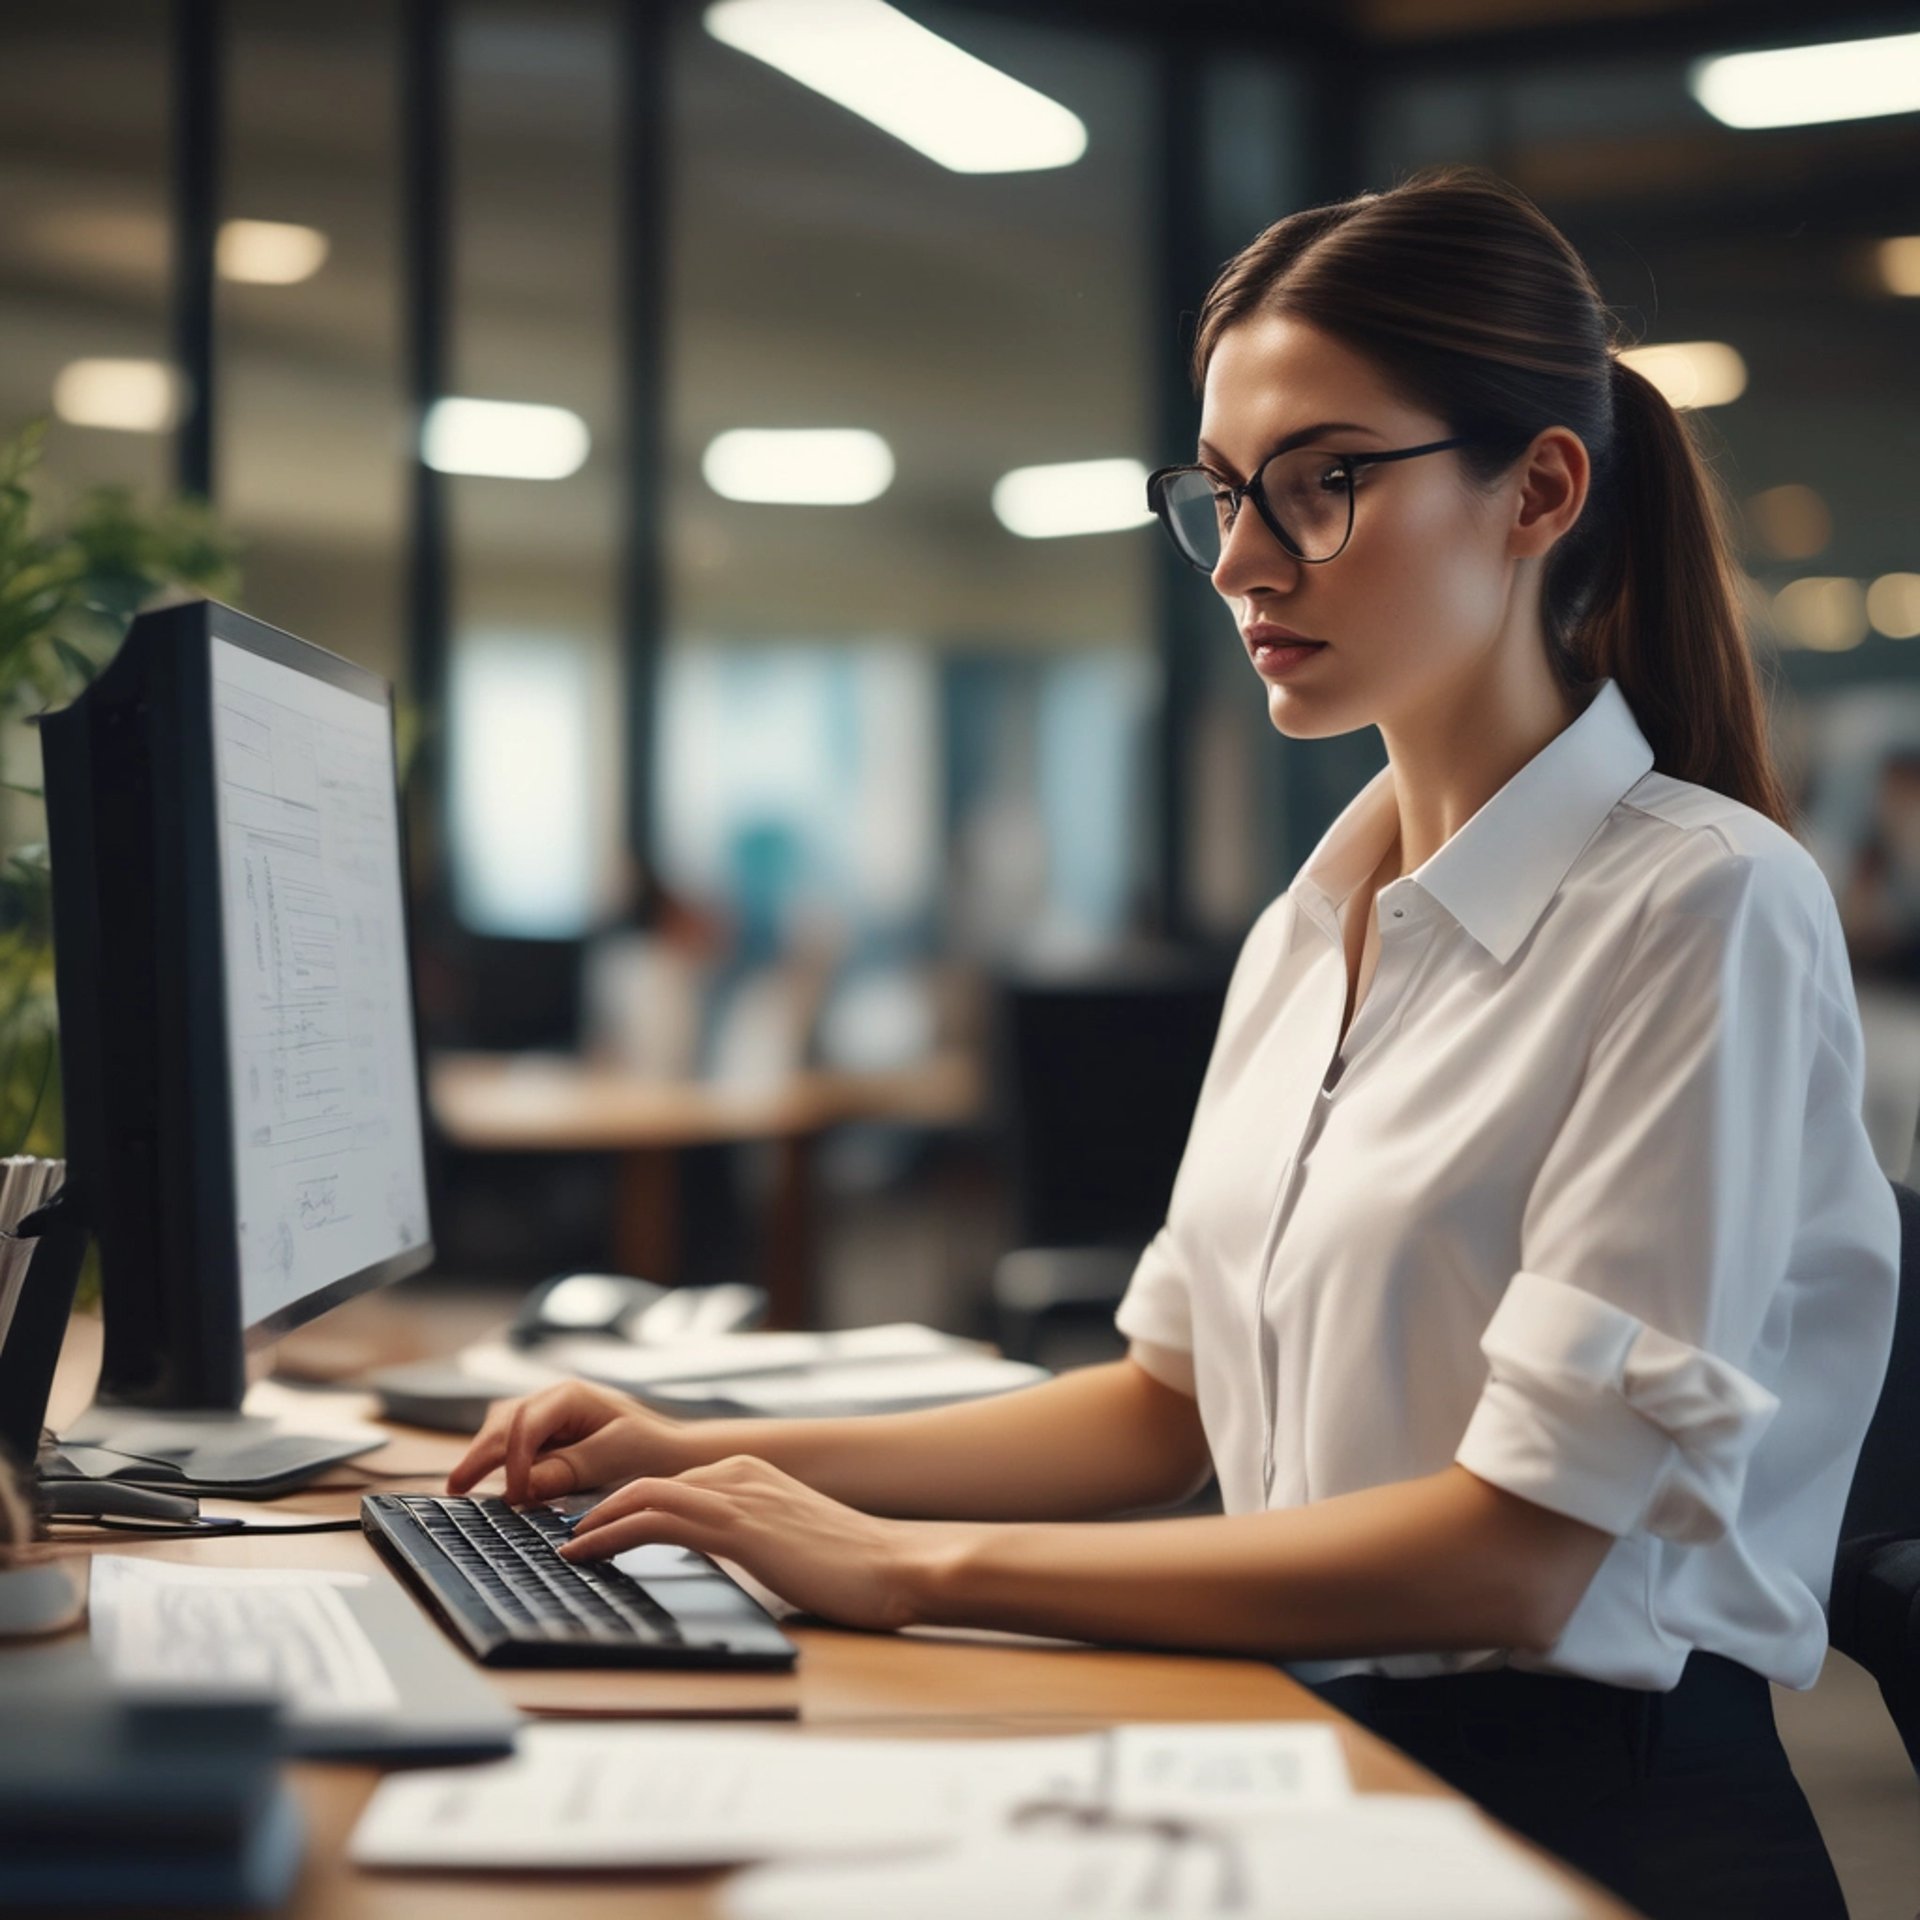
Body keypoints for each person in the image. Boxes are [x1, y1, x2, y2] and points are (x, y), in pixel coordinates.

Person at [448, 165, 1898, 1920]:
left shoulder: (1704, 906)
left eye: (1323, 486)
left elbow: (1517, 1561)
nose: (1240, 562)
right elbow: (1160, 1410)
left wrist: (908, 1570)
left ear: (1541, 489)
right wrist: (696, 1452)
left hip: (1585, 1830)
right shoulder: (1319, 917)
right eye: (1220, 494)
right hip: (1314, 1756)